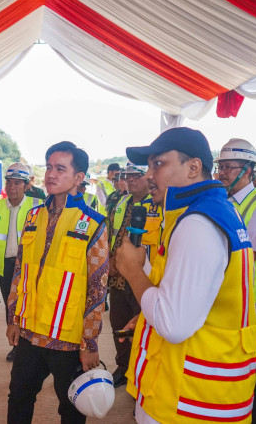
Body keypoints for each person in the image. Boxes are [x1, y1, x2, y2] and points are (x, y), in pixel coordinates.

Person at [116, 127, 256, 423]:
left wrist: (132, 272)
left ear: (193, 167)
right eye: (148, 165)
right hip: (189, 391)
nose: (149, 175)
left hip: (189, 401)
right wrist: (147, 313)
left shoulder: (197, 223)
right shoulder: (208, 211)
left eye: (159, 163)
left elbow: (173, 323)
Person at [6, 142, 108, 423]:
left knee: (73, 406)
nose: (51, 174)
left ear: (78, 178)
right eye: (49, 166)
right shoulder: (33, 216)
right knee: (19, 396)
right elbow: (19, 272)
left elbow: (97, 288)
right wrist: (13, 318)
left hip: (68, 340)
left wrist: (90, 342)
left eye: (60, 168)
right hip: (29, 332)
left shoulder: (94, 223)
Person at [216, 138, 256, 424]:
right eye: (220, 166)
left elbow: (247, 256)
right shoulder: (224, 203)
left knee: (255, 363)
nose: (222, 173)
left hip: (250, 296)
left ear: (249, 171)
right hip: (228, 295)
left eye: (229, 167)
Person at [107, 162, 162, 389]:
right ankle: (123, 367)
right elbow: (111, 233)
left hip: (145, 278)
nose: (129, 179)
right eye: (126, 175)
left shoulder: (158, 205)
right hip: (118, 277)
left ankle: (142, 379)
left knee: (143, 328)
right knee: (119, 323)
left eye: (135, 175)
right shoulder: (120, 203)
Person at [0, 162, 41, 361]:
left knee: (29, 305)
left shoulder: (37, 206)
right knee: (10, 307)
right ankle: (15, 346)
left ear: (26, 185)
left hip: (29, 267)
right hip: (5, 265)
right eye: (9, 182)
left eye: (18, 183)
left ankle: (31, 345)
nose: (12, 187)